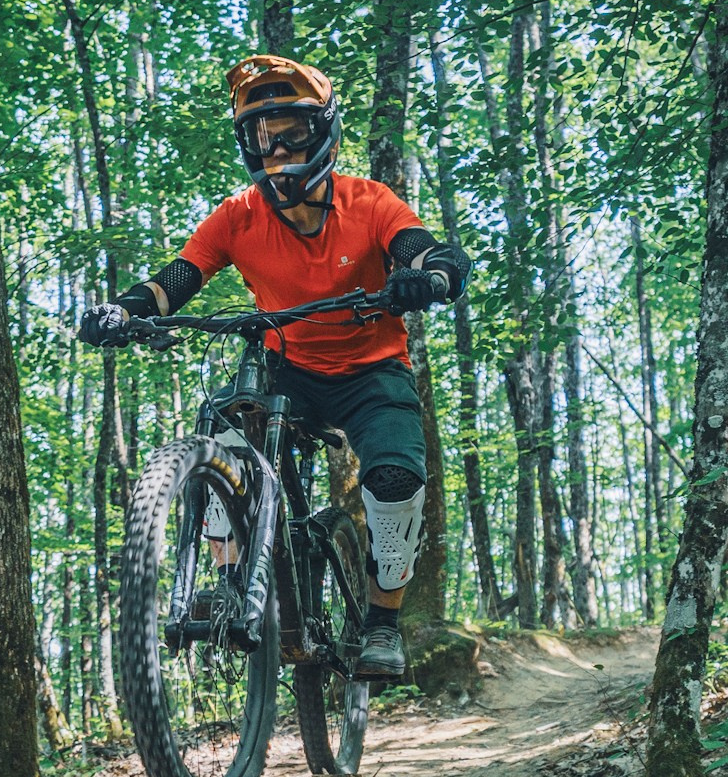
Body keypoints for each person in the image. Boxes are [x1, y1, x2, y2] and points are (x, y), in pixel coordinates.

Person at [78, 55, 469, 678]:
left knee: (395, 478)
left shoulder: (371, 202)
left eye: (292, 132)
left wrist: (432, 275)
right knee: (224, 431)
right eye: (263, 136)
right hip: (287, 367)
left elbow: (419, 248)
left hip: (373, 373)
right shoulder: (238, 216)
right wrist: (123, 312)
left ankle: (381, 622)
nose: (277, 149)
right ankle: (233, 583)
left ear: (324, 131)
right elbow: (175, 280)